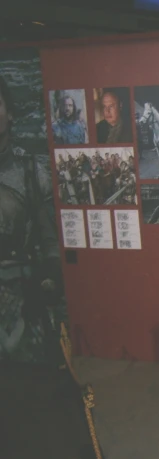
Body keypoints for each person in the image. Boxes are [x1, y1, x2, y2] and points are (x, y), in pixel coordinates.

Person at [0, 74, 66, 365]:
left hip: (24, 298)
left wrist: (51, 274)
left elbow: (48, 235)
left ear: (9, 113)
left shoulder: (30, 171)